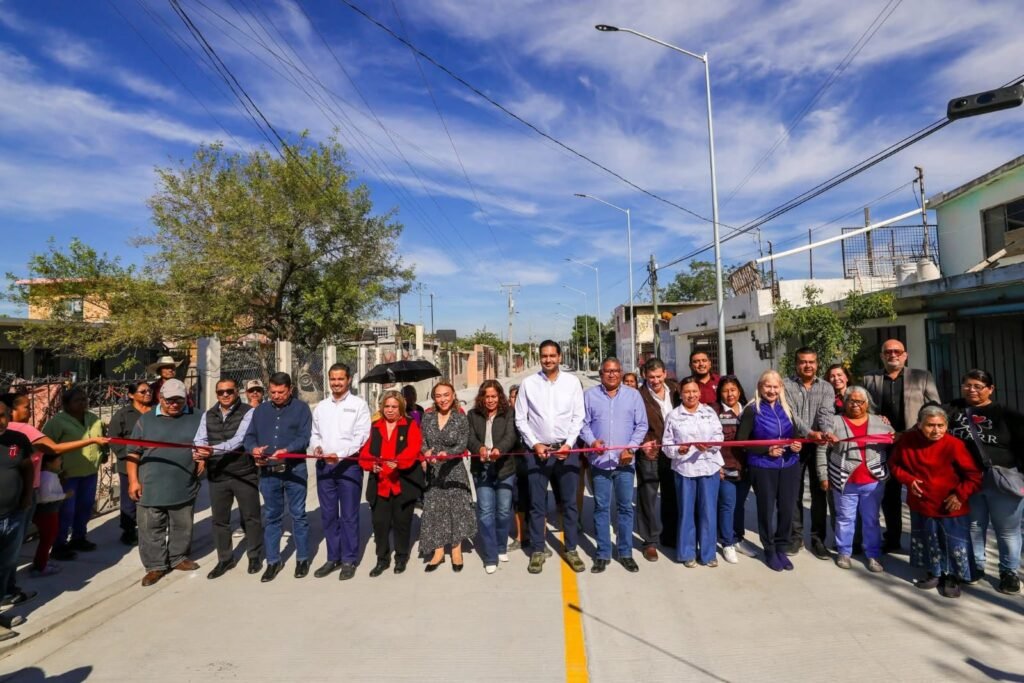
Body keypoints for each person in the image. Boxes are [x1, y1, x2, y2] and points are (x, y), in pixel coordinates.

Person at [889, 405, 982, 598]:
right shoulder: (908, 441)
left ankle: (953, 577)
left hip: (950, 504)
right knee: (929, 539)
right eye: (930, 425)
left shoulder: (954, 445)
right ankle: (934, 572)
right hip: (922, 502)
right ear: (919, 425)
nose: (936, 430)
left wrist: (960, 495)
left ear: (946, 425)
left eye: (940, 425)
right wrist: (909, 480)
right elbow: (894, 465)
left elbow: (973, 475)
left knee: (953, 542)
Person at [947, 369, 1024, 594]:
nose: (971, 390)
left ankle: (1009, 572)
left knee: (1007, 530)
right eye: (967, 385)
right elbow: (928, 415)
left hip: (1002, 479)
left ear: (990, 389)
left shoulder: (1006, 414)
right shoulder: (953, 409)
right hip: (967, 480)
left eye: (978, 386)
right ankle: (976, 566)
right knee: (974, 525)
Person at [863, 338, 941, 552]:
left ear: (905, 355)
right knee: (889, 494)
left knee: (920, 491)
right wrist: (877, 422)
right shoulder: (870, 378)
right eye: (888, 352)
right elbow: (865, 409)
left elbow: (935, 408)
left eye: (897, 351)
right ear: (882, 356)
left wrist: (914, 431)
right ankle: (893, 538)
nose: (893, 355)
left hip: (914, 442)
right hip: (884, 444)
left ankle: (925, 541)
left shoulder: (922, 376)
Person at [515, 340, 586, 575]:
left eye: (552, 355)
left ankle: (571, 549)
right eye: (544, 356)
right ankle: (537, 550)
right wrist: (534, 443)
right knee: (537, 504)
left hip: (566, 453)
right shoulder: (529, 384)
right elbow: (521, 419)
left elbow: (579, 416)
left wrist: (568, 444)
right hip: (538, 454)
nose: (548, 359)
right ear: (539, 358)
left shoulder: (572, 382)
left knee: (569, 504)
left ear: (560, 357)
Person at [126, 380, 204, 587]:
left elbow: (204, 443)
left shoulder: (197, 416)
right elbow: (133, 453)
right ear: (160, 398)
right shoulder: (146, 420)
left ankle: (178, 558)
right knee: (151, 528)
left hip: (184, 484)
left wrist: (203, 457)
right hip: (151, 486)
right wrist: (133, 481)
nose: (174, 404)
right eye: (169, 400)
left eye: (178, 400)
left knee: (182, 525)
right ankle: (155, 566)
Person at [736, 370, 813, 572]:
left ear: (781, 388)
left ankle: (781, 547)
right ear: (760, 387)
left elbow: (795, 434)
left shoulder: (786, 408)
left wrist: (797, 444)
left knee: (787, 509)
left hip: (789, 465)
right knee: (766, 509)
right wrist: (766, 449)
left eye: (775, 386)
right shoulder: (753, 410)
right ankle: (769, 549)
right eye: (767, 386)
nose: (771, 390)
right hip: (763, 467)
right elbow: (741, 441)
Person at [243, 372, 312, 583]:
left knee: (298, 515)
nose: (276, 396)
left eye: (281, 392)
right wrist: (253, 449)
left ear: (290, 390)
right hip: (269, 472)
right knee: (272, 516)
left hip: (294, 471)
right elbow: (249, 436)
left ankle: (302, 558)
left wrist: (287, 450)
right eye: (272, 392)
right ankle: (273, 561)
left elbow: (304, 437)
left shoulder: (301, 409)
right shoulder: (260, 411)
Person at [817, 386, 894, 572]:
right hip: (844, 481)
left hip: (873, 482)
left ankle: (873, 554)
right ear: (844, 402)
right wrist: (823, 475)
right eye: (851, 400)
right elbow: (821, 449)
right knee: (844, 519)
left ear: (867, 403)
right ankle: (844, 552)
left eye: (860, 401)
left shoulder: (880, 422)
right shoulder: (834, 422)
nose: (856, 405)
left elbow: (893, 442)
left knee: (871, 520)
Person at [581, 358, 648, 573]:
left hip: (625, 463)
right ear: (601, 373)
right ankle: (602, 553)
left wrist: (631, 448)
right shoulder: (590, 396)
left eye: (616, 371)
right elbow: (582, 423)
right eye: (607, 371)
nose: (612, 374)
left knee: (625, 508)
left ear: (621, 373)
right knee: (601, 508)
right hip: (600, 463)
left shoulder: (633, 395)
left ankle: (625, 552)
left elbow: (641, 425)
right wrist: (592, 441)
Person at [193, 378, 263, 580]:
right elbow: (200, 438)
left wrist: (210, 451)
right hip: (218, 474)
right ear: (216, 394)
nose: (225, 395)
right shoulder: (209, 414)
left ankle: (254, 555)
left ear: (237, 392)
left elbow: (238, 441)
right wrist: (197, 452)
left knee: (251, 517)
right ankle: (225, 558)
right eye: (221, 392)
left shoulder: (249, 412)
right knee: (220, 520)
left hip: (243, 472)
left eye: (229, 391)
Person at [309, 363, 370, 582]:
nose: (336, 383)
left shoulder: (359, 405)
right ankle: (332, 557)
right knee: (328, 515)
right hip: (325, 467)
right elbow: (315, 433)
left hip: (349, 467)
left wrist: (340, 454)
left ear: (349, 380)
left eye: (340, 379)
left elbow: (361, 436)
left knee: (349, 516)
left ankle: (349, 559)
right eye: (332, 379)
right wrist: (316, 447)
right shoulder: (321, 407)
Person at [359, 391, 423, 577]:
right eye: (387, 406)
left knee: (402, 523)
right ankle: (382, 559)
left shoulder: (410, 425)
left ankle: (401, 557)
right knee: (380, 523)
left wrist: (399, 462)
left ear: (401, 407)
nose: (390, 410)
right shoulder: (375, 427)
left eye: (394, 407)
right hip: (380, 484)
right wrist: (373, 465)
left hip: (402, 482)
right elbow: (364, 455)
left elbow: (413, 448)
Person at [663, 376, 724, 567]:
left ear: (700, 392)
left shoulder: (709, 412)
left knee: (708, 512)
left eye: (694, 391)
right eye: (687, 391)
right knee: (686, 512)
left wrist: (710, 445)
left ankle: (708, 554)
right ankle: (687, 553)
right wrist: (678, 450)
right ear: (680, 394)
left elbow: (719, 435)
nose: (691, 395)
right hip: (685, 469)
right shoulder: (673, 416)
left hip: (709, 467)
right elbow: (666, 445)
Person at [782, 347, 836, 559]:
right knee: (793, 492)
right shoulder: (785, 386)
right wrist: (809, 432)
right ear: (796, 364)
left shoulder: (826, 387)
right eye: (803, 362)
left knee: (819, 492)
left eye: (812, 362)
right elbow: (791, 415)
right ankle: (795, 538)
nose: (808, 365)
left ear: (817, 364)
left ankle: (818, 539)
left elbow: (826, 413)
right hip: (794, 443)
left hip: (819, 444)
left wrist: (825, 432)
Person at [43, 388, 107, 561]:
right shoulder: (57, 422)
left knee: (85, 507)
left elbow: (102, 439)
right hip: (67, 474)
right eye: (77, 400)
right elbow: (46, 446)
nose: (83, 403)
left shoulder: (93, 419)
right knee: (66, 511)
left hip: (90, 472)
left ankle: (79, 538)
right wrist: (54, 470)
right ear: (67, 403)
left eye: (84, 399)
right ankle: (59, 545)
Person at [420, 382, 475, 572]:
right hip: (434, 472)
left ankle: (456, 550)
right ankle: (438, 552)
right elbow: (422, 441)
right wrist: (426, 452)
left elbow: (463, 443)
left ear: (453, 396)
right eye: (438, 395)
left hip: (454, 470)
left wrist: (449, 453)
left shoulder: (460, 418)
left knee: (456, 510)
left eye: (446, 395)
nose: (442, 399)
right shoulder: (427, 417)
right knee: (435, 510)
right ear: (434, 398)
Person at [467, 380, 518, 574]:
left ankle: (501, 546)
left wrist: (500, 450)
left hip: (505, 468)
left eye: (494, 396)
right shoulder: (473, 415)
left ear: (500, 397)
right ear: (481, 397)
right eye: (486, 396)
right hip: (482, 469)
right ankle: (490, 556)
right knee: (486, 512)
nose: (490, 400)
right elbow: (470, 438)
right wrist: (479, 448)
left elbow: (511, 436)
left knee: (504, 511)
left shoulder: (509, 414)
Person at [637, 358, 680, 561]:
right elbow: (634, 423)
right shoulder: (638, 395)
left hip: (674, 453)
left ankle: (670, 536)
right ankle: (650, 541)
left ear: (665, 374)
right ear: (645, 375)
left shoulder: (676, 390)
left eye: (658, 376)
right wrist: (644, 443)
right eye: (651, 376)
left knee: (671, 494)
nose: (655, 380)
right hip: (650, 452)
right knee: (648, 496)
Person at [0, 401, 33, 641]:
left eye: (2, 415)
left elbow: (27, 468)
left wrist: (26, 497)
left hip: (13, 515)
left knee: (6, 565)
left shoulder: (18, 440)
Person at [108, 381, 152, 546]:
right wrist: (127, 456)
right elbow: (113, 438)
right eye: (142, 391)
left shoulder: (156, 412)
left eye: (149, 391)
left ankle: (149, 528)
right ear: (132, 395)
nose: (147, 393)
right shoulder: (123, 414)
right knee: (129, 499)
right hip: (129, 463)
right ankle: (128, 530)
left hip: (152, 462)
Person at [713, 376, 751, 563]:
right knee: (727, 504)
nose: (730, 394)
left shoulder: (748, 411)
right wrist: (717, 464)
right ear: (720, 393)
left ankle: (738, 538)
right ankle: (727, 542)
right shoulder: (715, 412)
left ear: (739, 391)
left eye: (733, 390)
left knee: (740, 505)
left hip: (745, 467)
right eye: (726, 390)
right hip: (725, 466)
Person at [30, 452, 69, 577]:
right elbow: (45, 497)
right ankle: (41, 566)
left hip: (49, 511)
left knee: (48, 538)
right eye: (58, 460)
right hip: (47, 512)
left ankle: (42, 562)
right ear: (48, 463)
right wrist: (64, 496)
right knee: (47, 539)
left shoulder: (49, 475)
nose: (61, 462)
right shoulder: (47, 476)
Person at [507, 384, 530, 551]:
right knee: (517, 500)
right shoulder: (506, 416)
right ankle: (520, 535)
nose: (516, 399)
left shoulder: (532, 415)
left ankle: (538, 538)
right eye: (514, 396)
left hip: (531, 463)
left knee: (534, 500)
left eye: (519, 396)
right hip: (513, 464)